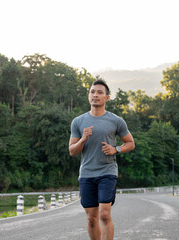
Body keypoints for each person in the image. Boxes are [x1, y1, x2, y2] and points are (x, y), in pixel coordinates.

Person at [69, 79, 135, 240]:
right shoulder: (78, 122)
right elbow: (72, 151)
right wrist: (83, 139)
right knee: (91, 218)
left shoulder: (116, 121)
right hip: (86, 173)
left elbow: (130, 143)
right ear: (88, 96)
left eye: (99, 92)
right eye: (92, 92)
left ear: (107, 97)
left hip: (108, 171)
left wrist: (115, 149)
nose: (95, 95)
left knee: (104, 214)